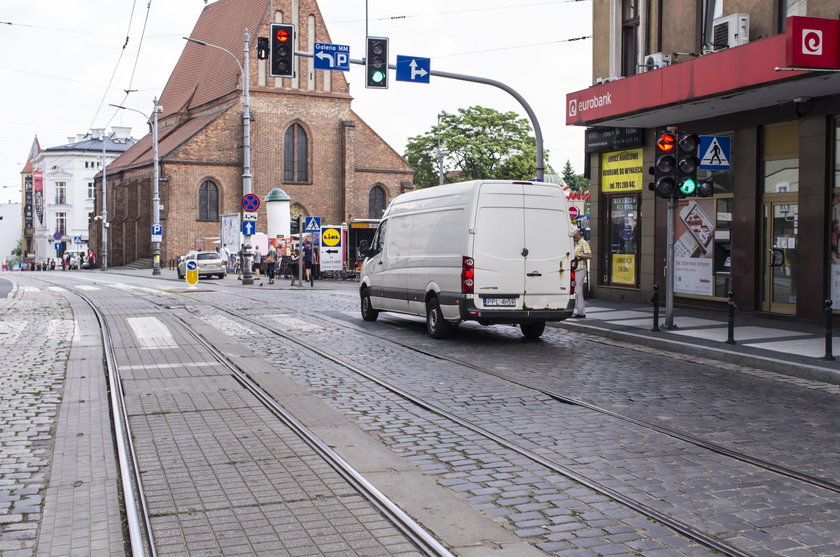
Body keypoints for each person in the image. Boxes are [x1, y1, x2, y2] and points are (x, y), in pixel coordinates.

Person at [571, 228, 592, 318]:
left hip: (581, 269)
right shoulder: (576, 243)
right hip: (576, 269)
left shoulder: (584, 243)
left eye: (575, 237)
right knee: (577, 290)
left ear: (579, 235)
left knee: (578, 290)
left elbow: (590, 255)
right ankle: (579, 311)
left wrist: (579, 255)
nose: (574, 238)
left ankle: (581, 312)